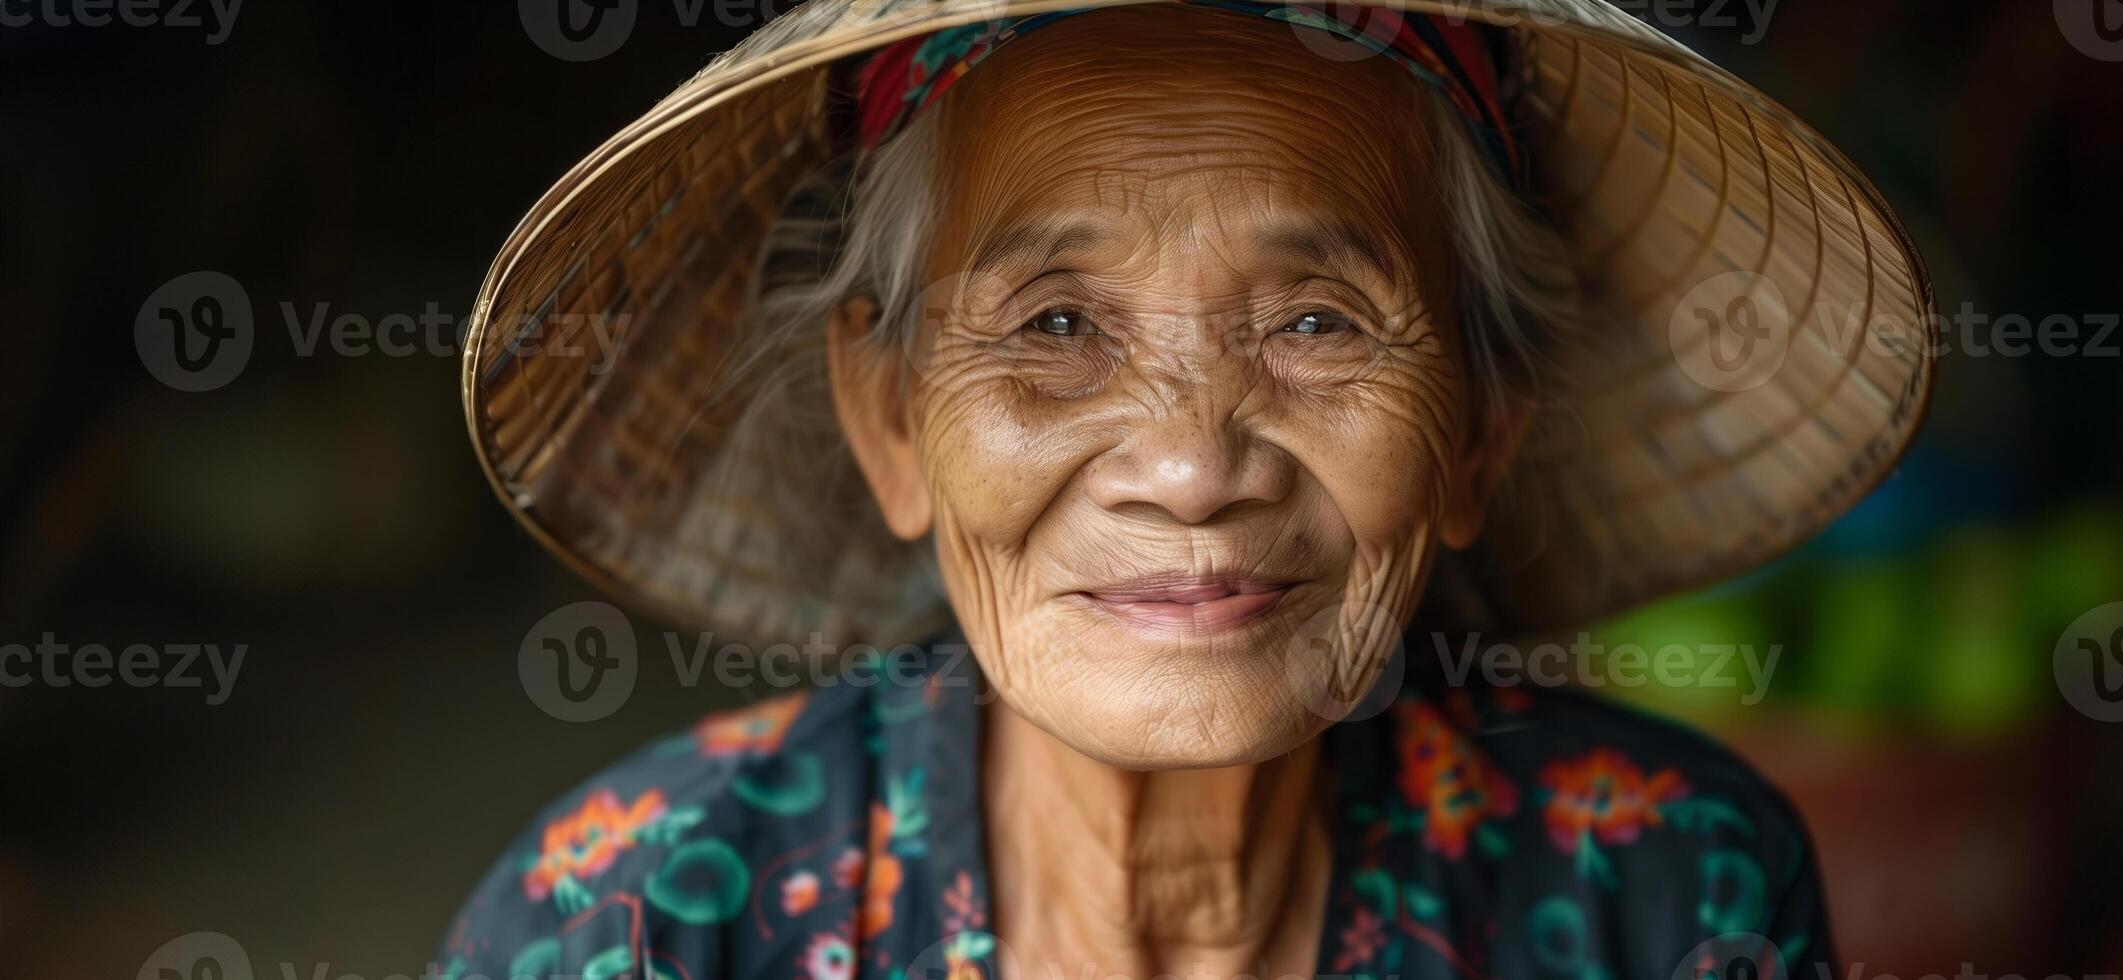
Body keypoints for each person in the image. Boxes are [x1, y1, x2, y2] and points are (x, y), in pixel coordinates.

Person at [440, 3, 1935, 980]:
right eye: (1056, 328)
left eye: (1315, 324)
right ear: (889, 417)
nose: (1191, 466)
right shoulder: (629, 927)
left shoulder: (1669, 895)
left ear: (1479, 428)